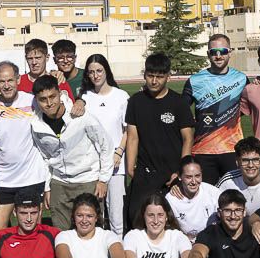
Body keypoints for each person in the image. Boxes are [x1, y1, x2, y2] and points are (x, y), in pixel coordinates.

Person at [30, 75, 113, 230]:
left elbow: (105, 145)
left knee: (90, 232)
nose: (49, 103)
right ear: (36, 100)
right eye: (43, 99)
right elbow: (44, 158)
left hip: (87, 180)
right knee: (61, 234)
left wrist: (103, 179)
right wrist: (47, 187)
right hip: (59, 183)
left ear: (60, 94)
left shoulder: (80, 116)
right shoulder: (36, 125)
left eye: (52, 97)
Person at [125, 53, 195, 226]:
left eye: (159, 76)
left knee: (173, 222)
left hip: (172, 173)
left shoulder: (179, 103)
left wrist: (181, 170)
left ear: (168, 77)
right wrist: (130, 167)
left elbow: (188, 138)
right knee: (137, 219)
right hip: (145, 172)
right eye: (150, 76)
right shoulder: (135, 101)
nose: (154, 81)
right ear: (144, 75)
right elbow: (132, 137)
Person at [0, 62, 49, 231]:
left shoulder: (33, 101)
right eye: (2, 81)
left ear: (18, 79)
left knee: (33, 229)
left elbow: (55, 102)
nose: (6, 85)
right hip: (4, 179)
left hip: (32, 177)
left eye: (10, 80)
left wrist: (80, 102)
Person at [182, 34, 248, 185]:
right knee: (204, 194)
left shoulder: (241, 78)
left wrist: (231, 116)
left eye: (223, 51)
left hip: (232, 149)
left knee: (234, 194)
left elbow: (252, 103)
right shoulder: (195, 80)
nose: (218, 56)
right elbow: (181, 109)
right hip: (202, 150)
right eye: (213, 52)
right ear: (208, 54)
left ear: (230, 52)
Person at [80, 54, 130, 234]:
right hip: (92, 165)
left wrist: (119, 152)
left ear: (106, 71)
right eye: (91, 72)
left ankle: (119, 249)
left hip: (116, 164)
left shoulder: (121, 96)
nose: (96, 75)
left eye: (99, 70)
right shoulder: (85, 97)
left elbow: (127, 130)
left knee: (117, 218)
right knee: (94, 215)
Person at [215, 137, 260, 214]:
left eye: (255, 160)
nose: (250, 165)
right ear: (237, 162)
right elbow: (213, 206)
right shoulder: (227, 182)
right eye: (245, 160)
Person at [165, 156, 220, 241]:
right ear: (179, 176)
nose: (194, 182)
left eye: (197, 176)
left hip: (213, 240)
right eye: (189, 177)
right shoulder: (171, 199)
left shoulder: (213, 193)